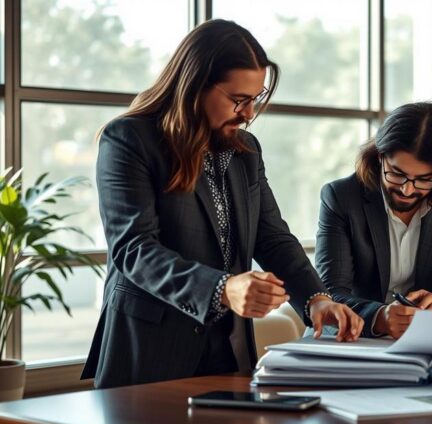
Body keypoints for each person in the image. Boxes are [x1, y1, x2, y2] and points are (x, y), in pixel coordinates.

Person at [82, 19, 363, 389]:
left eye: (255, 99)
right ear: (195, 84)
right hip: (148, 356)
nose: (248, 114)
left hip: (228, 354)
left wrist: (316, 300)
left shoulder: (246, 152)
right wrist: (222, 289)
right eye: (238, 100)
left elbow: (273, 238)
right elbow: (134, 250)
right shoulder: (128, 140)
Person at [315, 102, 432, 339]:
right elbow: (329, 292)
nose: (406, 190)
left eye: (424, 179)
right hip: (351, 337)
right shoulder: (342, 197)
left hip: (425, 338)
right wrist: (380, 317)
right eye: (397, 174)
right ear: (379, 157)